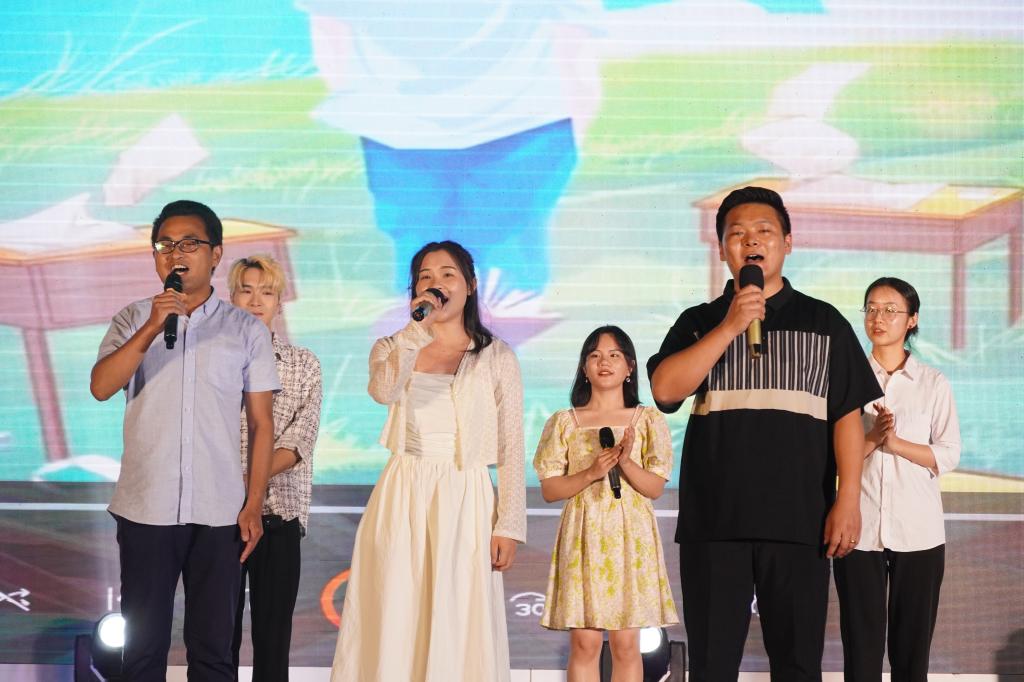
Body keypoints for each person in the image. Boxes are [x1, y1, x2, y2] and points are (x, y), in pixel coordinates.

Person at [647, 186, 883, 681]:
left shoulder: (824, 322)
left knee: (798, 665)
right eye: (737, 234)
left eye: (764, 231)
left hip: (800, 522)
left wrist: (848, 501)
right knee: (712, 666)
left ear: (788, 242)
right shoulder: (700, 322)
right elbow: (665, 389)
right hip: (716, 524)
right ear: (722, 250)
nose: (751, 241)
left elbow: (845, 416)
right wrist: (730, 326)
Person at [90, 200, 280, 681]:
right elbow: (101, 387)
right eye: (165, 245)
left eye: (189, 243)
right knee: (142, 653)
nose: (175, 253)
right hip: (146, 508)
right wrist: (153, 327)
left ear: (215, 254)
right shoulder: (133, 318)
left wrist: (254, 503)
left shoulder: (246, 330)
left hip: (220, 512)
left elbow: (262, 424)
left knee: (214, 654)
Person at [297, 1, 601, 299]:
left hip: (513, 125)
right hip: (412, 127)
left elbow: (329, 25)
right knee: (476, 280)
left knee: (498, 280)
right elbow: (329, 24)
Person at [330, 240, 527, 682]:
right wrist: (416, 331)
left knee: (459, 611)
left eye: (447, 275)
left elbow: (512, 443)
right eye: (425, 277)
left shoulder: (496, 357)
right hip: (404, 487)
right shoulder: (392, 346)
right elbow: (383, 391)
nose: (436, 284)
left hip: (465, 491)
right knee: (396, 607)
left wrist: (509, 524)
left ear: (470, 286)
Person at [534, 325, 678, 682]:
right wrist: (591, 473)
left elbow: (654, 487)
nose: (604, 362)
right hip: (584, 536)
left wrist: (625, 462)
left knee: (626, 646)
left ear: (630, 367)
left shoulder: (648, 419)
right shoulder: (564, 422)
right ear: (584, 367)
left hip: (631, 537)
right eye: (595, 355)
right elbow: (550, 489)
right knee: (584, 644)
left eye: (614, 355)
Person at [834, 277, 961, 682]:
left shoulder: (932, 382)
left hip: (919, 533)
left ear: (912, 320)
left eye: (891, 310)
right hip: (859, 531)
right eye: (871, 308)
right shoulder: (845, 379)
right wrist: (872, 439)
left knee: (911, 655)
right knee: (861, 654)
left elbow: (948, 454)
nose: (878, 317)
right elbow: (828, 460)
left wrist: (897, 443)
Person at [228, 255, 323, 682]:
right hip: (217, 514)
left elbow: (298, 442)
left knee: (273, 640)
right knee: (217, 637)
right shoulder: (212, 361)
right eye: (246, 290)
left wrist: (250, 482)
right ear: (231, 298)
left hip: (279, 514)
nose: (256, 301)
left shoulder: (304, 364)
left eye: (266, 292)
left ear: (279, 302)